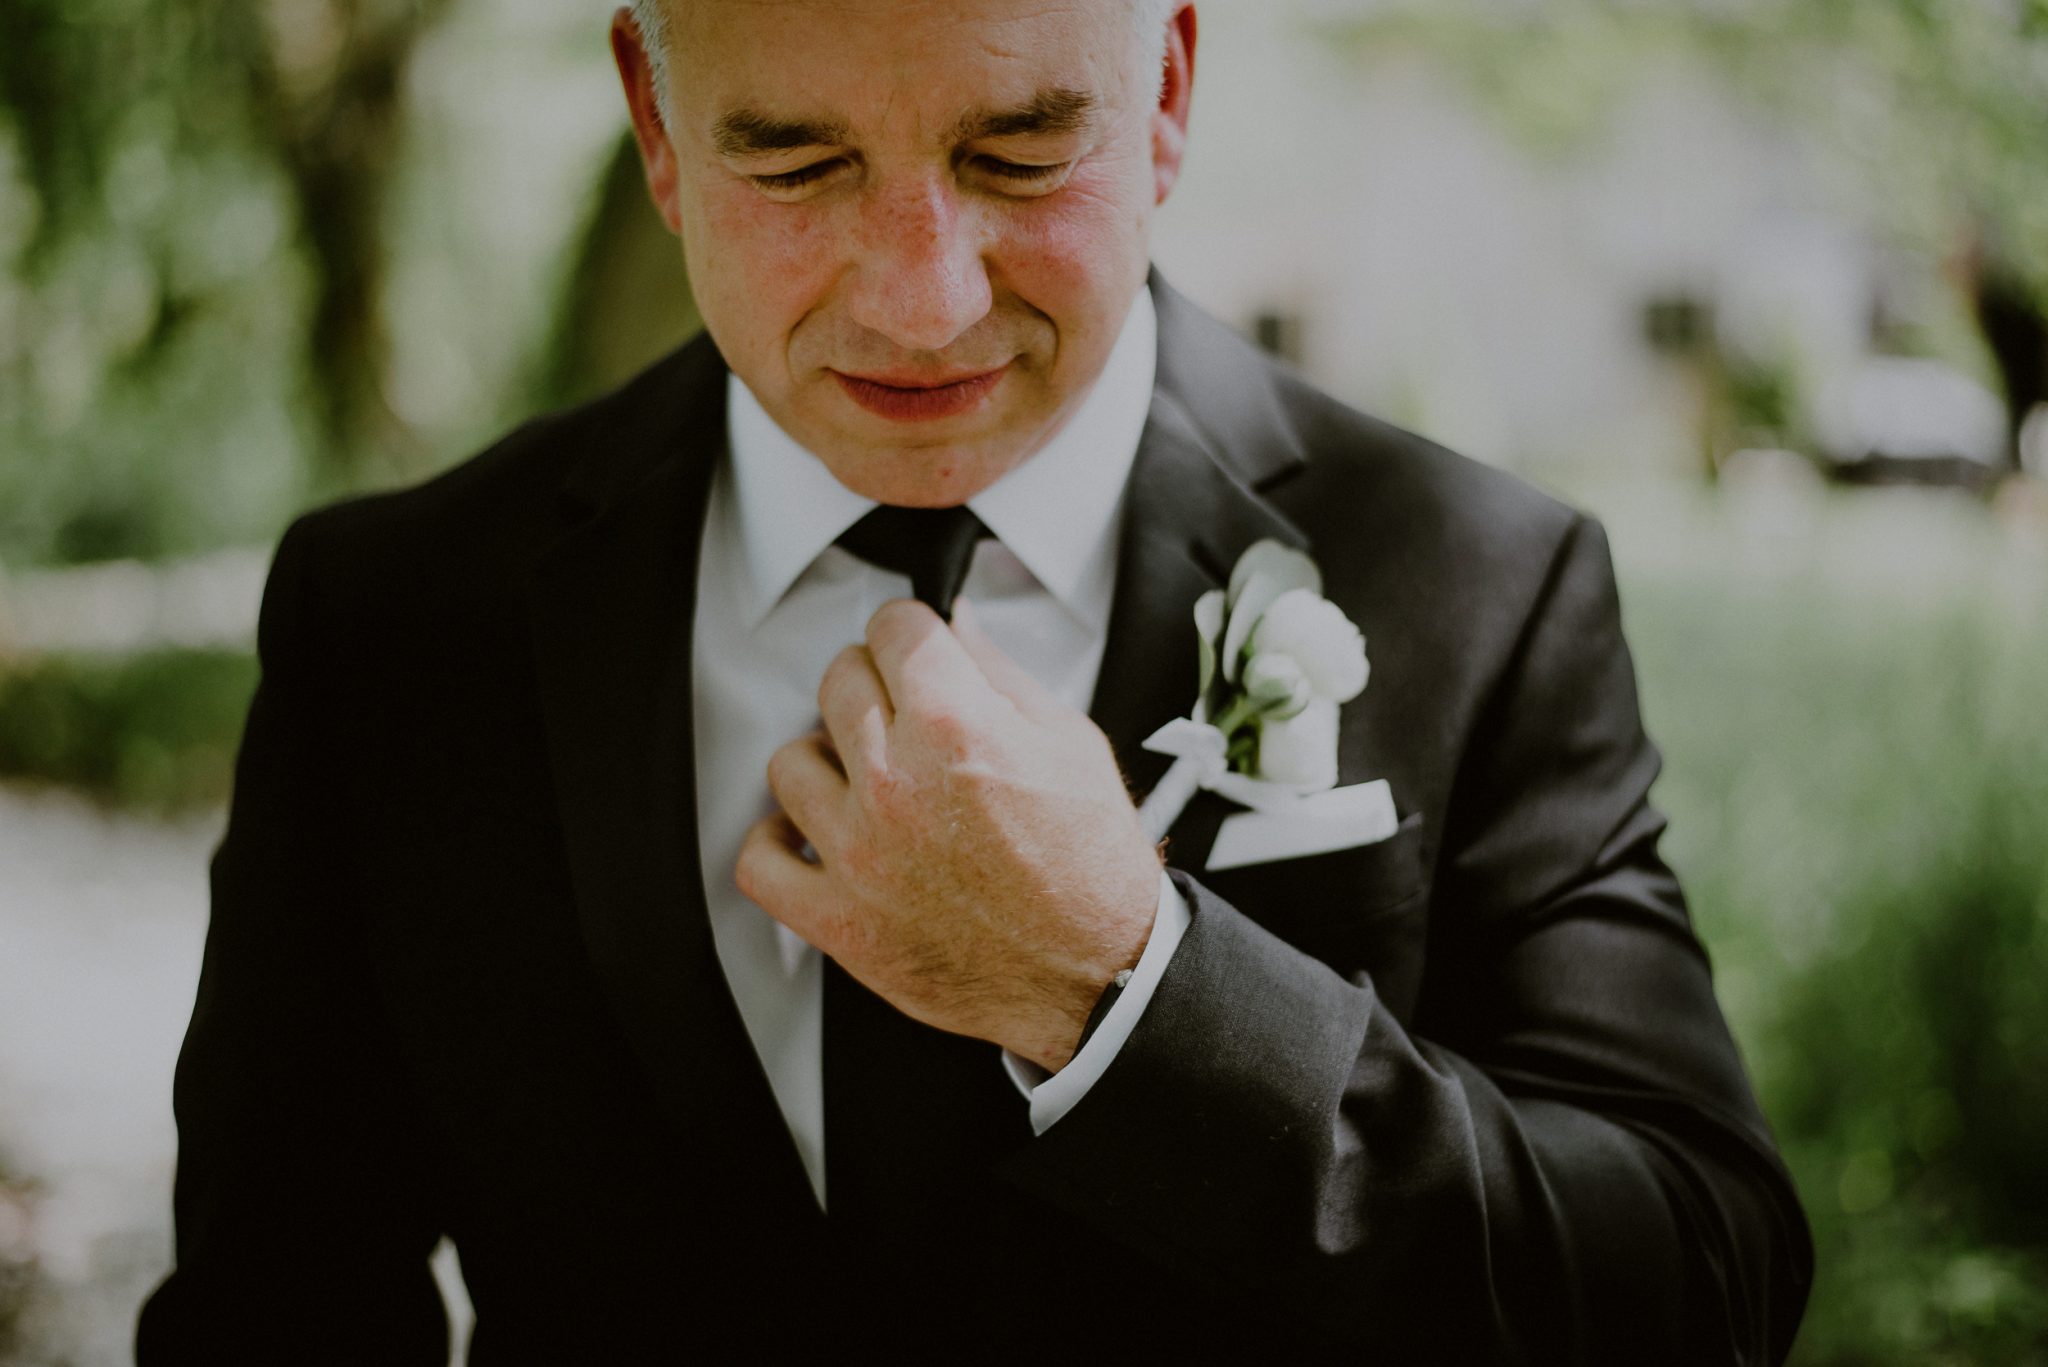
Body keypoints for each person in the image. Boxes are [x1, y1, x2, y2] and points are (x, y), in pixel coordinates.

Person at [136, 1, 1813, 1361]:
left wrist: (1126, 992)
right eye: (792, 161)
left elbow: (1698, 1281)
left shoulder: (1479, 586)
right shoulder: (398, 621)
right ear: (656, 124)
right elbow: (274, 1308)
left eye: (1020, 150)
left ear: (1165, 87)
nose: (923, 300)